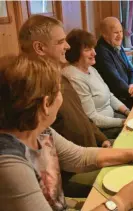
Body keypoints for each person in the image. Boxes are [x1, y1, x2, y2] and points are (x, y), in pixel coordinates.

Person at [0, 54, 133, 211]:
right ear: (45, 104)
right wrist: (120, 202)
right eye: (59, 91)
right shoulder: (11, 165)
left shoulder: (40, 131)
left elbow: (80, 157)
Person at [18, 15, 110, 198]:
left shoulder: (61, 77)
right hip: (67, 176)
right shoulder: (30, 89)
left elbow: (84, 116)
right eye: (61, 42)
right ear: (39, 48)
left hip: (88, 153)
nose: (67, 46)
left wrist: (102, 139)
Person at [64, 29, 130, 139]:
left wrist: (127, 112)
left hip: (113, 117)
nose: (94, 53)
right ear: (75, 52)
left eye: (93, 48)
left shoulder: (91, 69)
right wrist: (122, 122)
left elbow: (109, 95)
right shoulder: (74, 76)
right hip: (100, 129)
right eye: (88, 49)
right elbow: (92, 118)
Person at [94, 17, 133, 109]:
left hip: (129, 93)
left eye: (121, 31)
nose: (120, 36)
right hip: (119, 101)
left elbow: (132, 71)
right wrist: (132, 90)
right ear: (105, 35)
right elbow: (115, 82)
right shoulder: (101, 52)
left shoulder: (117, 46)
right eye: (116, 33)